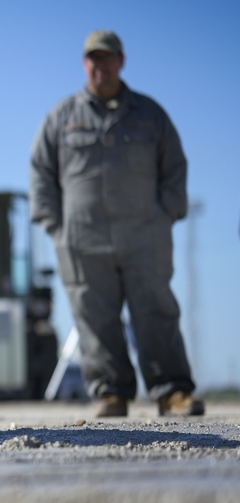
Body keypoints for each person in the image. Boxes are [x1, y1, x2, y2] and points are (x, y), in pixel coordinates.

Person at [29, 30, 203, 418]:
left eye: (107, 58)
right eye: (93, 58)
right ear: (84, 64)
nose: (99, 65)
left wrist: (166, 215)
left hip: (145, 236)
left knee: (156, 311)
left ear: (122, 62)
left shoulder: (150, 114)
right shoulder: (62, 118)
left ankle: (172, 391)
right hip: (82, 240)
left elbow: (174, 166)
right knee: (95, 318)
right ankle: (111, 393)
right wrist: (57, 229)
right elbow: (41, 172)